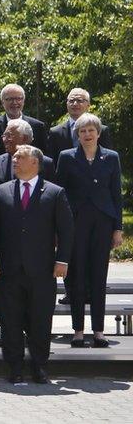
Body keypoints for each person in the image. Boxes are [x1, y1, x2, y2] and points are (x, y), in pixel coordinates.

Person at [0, 145, 73, 384]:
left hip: (43, 270)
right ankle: (14, 367)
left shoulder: (54, 193)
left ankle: (39, 366)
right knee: (10, 321)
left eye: (20, 157)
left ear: (35, 163)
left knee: (40, 320)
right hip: (9, 270)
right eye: (14, 158)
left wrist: (62, 260)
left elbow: (66, 230)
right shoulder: (0, 191)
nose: (15, 161)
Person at [56, 113, 123, 349]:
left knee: (98, 277)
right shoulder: (66, 157)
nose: (87, 134)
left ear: (98, 133)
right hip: (76, 223)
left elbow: (116, 194)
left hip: (103, 222)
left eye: (91, 130)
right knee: (76, 277)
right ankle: (78, 331)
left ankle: (98, 331)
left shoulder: (111, 157)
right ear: (77, 134)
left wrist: (117, 228)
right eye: (82, 131)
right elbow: (60, 194)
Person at [0, 83, 48, 164]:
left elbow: (43, 157)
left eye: (18, 99)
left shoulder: (37, 126)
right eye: (10, 99)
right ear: (2, 102)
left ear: (23, 101)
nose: (14, 102)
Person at [47, 88, 114, 164]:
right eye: (71, 101)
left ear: (88, 105)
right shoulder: (55, 132)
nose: (75, 104)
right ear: (67, 104)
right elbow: (52, 162)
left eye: (79, 101)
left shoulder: (102, 130)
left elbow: (108, 159)